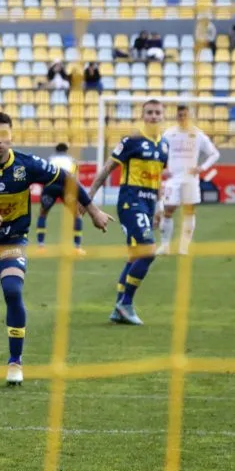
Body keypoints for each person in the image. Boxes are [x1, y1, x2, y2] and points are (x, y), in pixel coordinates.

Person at [0, 112, 110, 385]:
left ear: (11, 137)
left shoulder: (26, 164)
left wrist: (93, 210)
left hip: (13, 240)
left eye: (3, 136)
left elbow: (67, 177)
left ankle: (15, 362)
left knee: (13, 290)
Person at [88, 99, 169, 326]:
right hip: (130, 202)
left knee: (135, 256)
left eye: (157, 112)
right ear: (143, 115)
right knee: (148, 252)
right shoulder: (131, 141)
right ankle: (126, 303)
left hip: (149, 203)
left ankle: (118, 308)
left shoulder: (164, 145)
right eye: (150, 112)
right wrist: (89, 197)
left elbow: (159, 178)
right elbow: (107, 168)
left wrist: (160, 207)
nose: (153, 116)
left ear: (162, 116)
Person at [158, 106, 220, 255]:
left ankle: (184, 247)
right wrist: (162, 168)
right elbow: (159, 153)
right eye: (180, 115)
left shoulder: (198, 135)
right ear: (176, 117)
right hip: (173, 179)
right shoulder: (169, 134)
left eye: (185, 115)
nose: (182, 118)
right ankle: (165, 245)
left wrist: (202, 167)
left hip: (190, 179)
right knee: (168, 210)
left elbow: (214, 154)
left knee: (189, 212)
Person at [35, 143, 85, 253]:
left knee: (43, 213)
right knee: (77, 215)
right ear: (66, 150)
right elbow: (75, 178)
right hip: (66, 187)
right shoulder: (72, 160)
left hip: (50, 186)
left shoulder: (50, 159)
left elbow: (43, 174)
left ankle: (41, 246)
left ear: (56, 150)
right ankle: (77, 247)